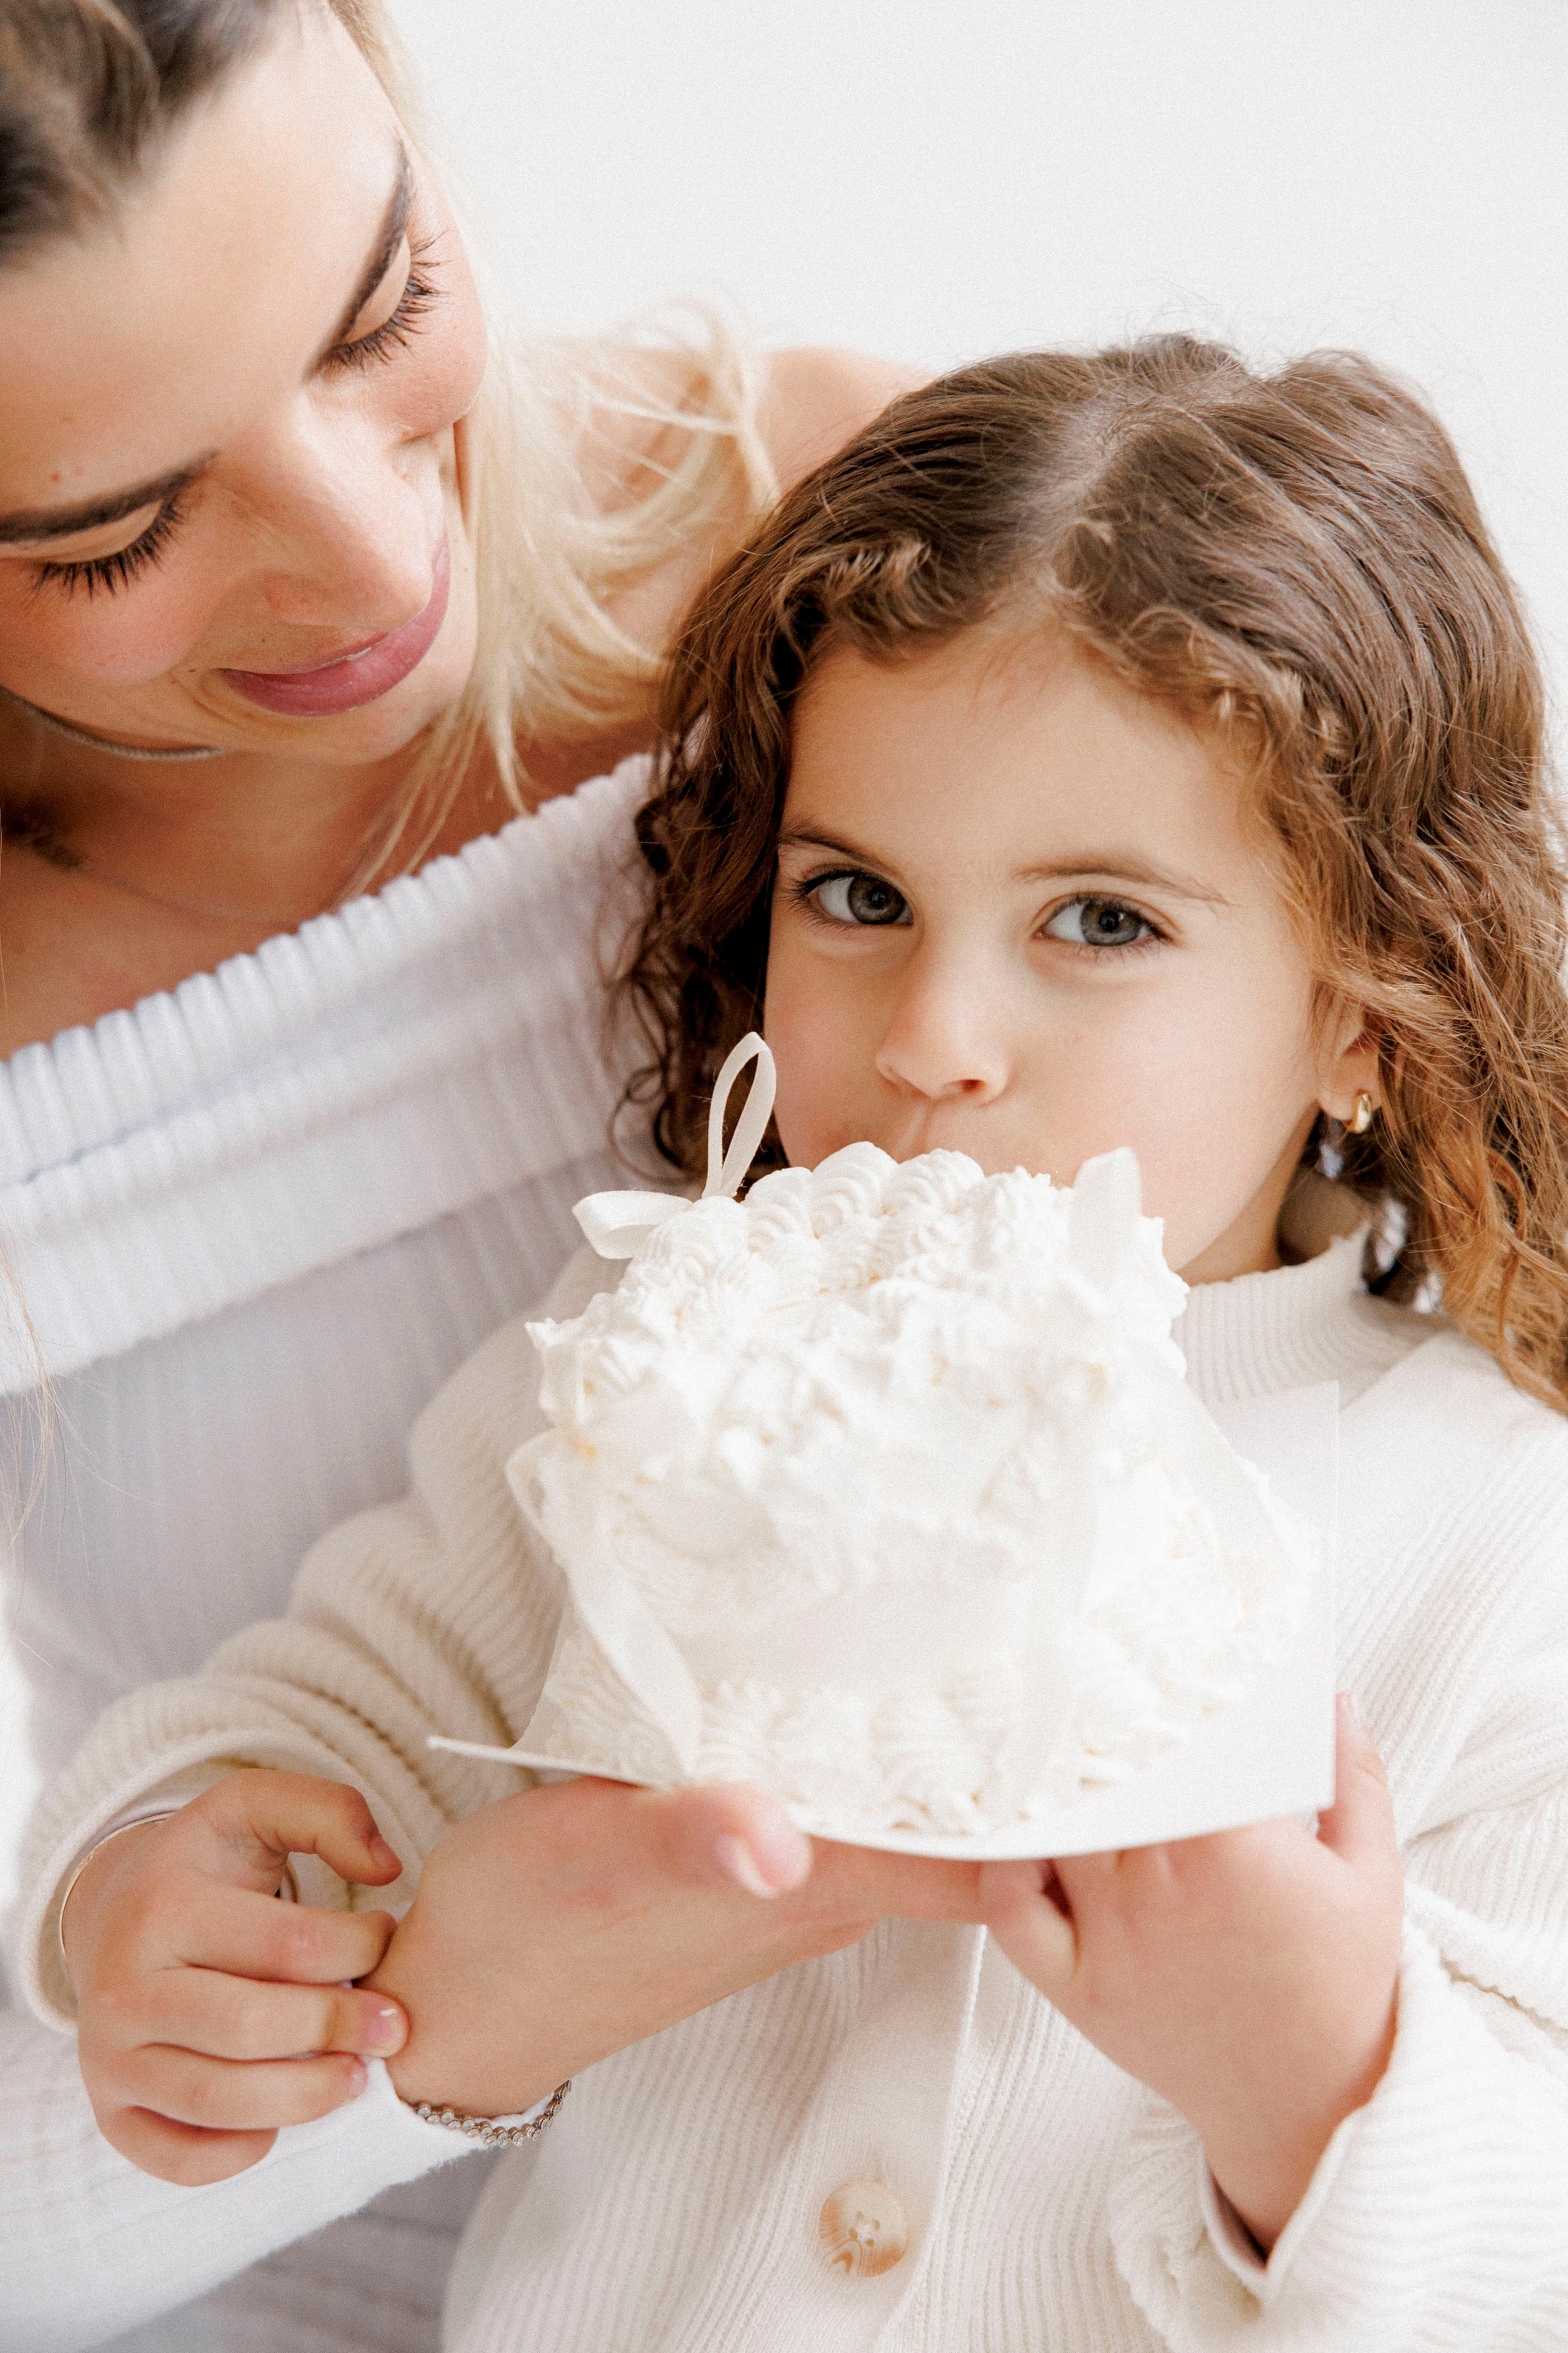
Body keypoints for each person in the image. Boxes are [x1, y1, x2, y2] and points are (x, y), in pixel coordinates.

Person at [26, 337, 1568, 2350]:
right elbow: (322, 1717)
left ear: (1369, 1000)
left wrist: (1315, 2077)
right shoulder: (647, 1355)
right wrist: (149, 1884)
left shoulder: (1490, 1524)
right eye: (857, 893)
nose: (934, 1036)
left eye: (1101, 921)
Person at [0, 1, 931, 2344]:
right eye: (118, 533)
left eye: (387, 306)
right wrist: (250, 1987)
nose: (366, 557)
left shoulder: (857, 549)